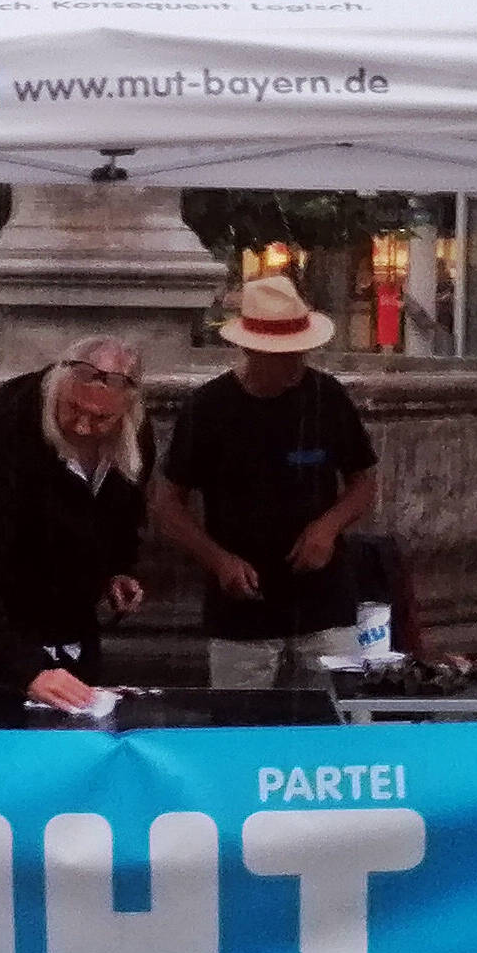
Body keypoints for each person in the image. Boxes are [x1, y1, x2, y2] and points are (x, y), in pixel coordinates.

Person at [152, 277, 380, 689]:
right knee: (243, 729)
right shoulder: (208, 408)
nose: (296, 364)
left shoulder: (327, 397)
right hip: (242, 609)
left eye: (300, 353)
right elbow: (167, 503)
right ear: (252, 350)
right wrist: (218, 559)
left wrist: (328, 528)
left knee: (337, 724)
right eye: (283, 355)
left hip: (324, 602)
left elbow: (363, 482)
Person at [0, 336, 148, 710]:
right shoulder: (11, 432)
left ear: (126, 412)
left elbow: (124, 514)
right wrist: (27, 670)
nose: (83, 427)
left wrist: (118, 569)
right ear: (57, 387)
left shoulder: (135, 436)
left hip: (77, 628)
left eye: (102, 418)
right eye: (73, 409)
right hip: (5, 632)